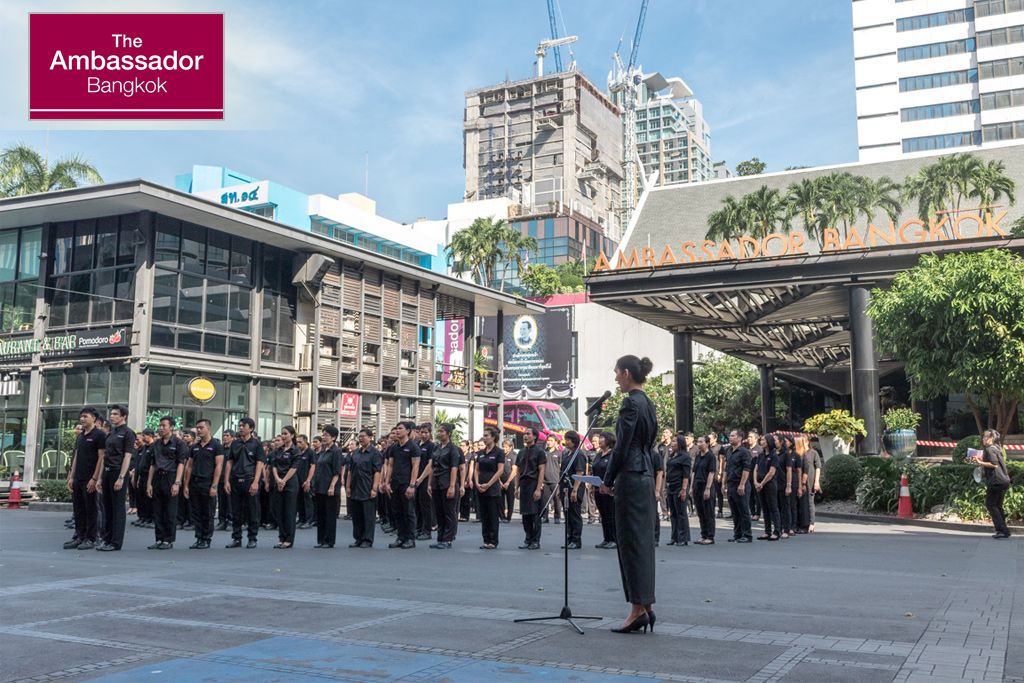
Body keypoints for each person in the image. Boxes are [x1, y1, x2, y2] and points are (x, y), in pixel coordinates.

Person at [599, 355, 658, 634]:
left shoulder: (630, 403)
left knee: (630, 543)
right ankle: (645, 605)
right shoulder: (649, 403)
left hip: (630, 477)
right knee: (642, 542)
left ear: (625, 373)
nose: (615, 379)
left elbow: (621, 446)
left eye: (615, 373)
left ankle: (636, 609)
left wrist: (607, 479)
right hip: (644, 473)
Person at [64, 407, 106, 550]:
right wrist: (71, 476)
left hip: (90, 478)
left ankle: (91, 538)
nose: (82, 419)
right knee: (79, 509)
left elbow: (102, 457)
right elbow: (76, 456)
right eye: (81, 416)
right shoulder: (80, 436)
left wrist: (95, 479)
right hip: (78, 478)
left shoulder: (99, 435)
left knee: (91, 509)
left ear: (94, 418)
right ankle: (80, 536)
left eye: (85, 416)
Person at [95, 405, 136, 552]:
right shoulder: (111, 433)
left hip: (118, 472)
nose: (111, 416)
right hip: (106, 472)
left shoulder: (128, 433)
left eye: (115, 414)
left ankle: (115, 542)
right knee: (107, 507)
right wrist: (99, 478)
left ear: (123, 416)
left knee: (118, 508)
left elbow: (127, 456)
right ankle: (106, 539)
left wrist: (121, 477)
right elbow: (105, 456)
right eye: (111, 414)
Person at [146, 416, 187, 550]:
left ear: (171, 427)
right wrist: (149, 483)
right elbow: (153, 464)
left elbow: (181, 464)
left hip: (171, 477)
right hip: (158, 477)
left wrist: (177, 482)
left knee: (170, 511)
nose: (161, 428)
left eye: (164, 426)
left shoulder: (179, 443)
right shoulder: (156, 444)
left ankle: (168, 540)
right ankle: (159, 539)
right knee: (157, 510)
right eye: (160, 425)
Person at [224, 418, 265, 549]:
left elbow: (259, 463)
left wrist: (256, 482)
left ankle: (252, 538)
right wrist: (226, 481)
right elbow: (229, 462)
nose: (241, 428)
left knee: (252, 510)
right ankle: (237, 538)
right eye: (240, 425)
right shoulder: (235, 443)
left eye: (243, 426)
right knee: (236, 511)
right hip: (235, 480)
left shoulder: (257, 444)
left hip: (250, 479)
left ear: (251, 428)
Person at [184, 419, 224, 550]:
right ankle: (199, 537)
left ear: (208, 428)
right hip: (195, 482)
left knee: (208, 513)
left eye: (201, 427)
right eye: (197, 428)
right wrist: (186, 485)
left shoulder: (216, 445)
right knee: (196, 512)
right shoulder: (194, 447)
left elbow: (219, 466)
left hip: (208, 483)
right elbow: (189, 466)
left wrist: (214, 485)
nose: (198, 430)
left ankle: (206, 538)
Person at [383, 421, 421, 549]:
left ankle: (410, 538)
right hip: (395, 483)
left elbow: (415, 467)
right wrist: (387, 482)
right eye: (397, 429)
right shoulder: (393, 448)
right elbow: (390, 465)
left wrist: (412, 485)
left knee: (408, 512)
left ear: (408, 431)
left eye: (400, 429)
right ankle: (401, 537)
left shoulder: (413, 447)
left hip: (406, 483)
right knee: (397, 511)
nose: (398, 431)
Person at [270, 426, 305, 549]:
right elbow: (273, 466)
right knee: (279, 511)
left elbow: (294, 468)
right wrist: (278, 480)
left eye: (286, 434)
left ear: (292, 435)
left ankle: (289, 539)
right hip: (278, 482)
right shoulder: (277, 451)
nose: (283, 436)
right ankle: (281, 537)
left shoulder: (295, 451)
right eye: (282, 434)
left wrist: (284, 480)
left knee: (289, 512)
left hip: (290, 483)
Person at [347, 428, 383, 548]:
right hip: (355, 487)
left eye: (363, 436)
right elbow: (350, 471)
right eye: (359, 436)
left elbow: (377, 472)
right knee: (357, 516)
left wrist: (374, 488)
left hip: (367, 487)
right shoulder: (355, 453)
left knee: (368, 516)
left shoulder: (375, 453)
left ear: (370, 438)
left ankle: (367, 539)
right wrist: (348, 486)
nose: (361, 438)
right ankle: (358, 538)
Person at [309, 426, 343, 548]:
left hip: (330, 487)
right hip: (319, 487)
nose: (323, 437)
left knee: (329, 515)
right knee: (321, 515)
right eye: (323, 435)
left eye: (326, 435)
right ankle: (322, 540)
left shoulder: (336, 451)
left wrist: (332, 486)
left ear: (333, 437)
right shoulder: (323, 451)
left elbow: (337, 471)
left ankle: (329, 541)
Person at [429, 424, 462, 549]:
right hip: (436, 483)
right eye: (438, 431)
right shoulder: (436, 448)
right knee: (439, 512)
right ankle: (440, 537)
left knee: (449, 512)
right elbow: (432, 466)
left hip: (447, 482)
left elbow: (454, 468)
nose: (439, 433)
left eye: (442, 431)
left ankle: (448, 539)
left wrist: (452, 486)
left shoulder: (453, 449)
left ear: (448, 433)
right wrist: (429, 484)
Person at [515, 427, 546, 550]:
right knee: (525, 515)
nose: (525, 436)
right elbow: (517, 471)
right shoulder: (521, 452)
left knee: (535, 515)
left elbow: (541, 470)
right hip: (523, 484)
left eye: (528, 434)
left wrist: (538, 489)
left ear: (534, 436)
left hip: (534, 483)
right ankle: (528, 539)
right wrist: (516, 487)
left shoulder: (539, 452)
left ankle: (535, 541)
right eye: (524, 434)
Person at [475, 426, 505, 549]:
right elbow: (476, 470)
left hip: (492, 489)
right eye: (484, 435)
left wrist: (488, 484)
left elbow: (500, 470)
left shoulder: (499, 452)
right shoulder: (481, 453)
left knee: (492, 515)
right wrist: (477, 483)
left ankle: (493, 541)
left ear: (493, 437)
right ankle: (486, 539)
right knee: (484, 515)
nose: (484, 438)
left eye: (487, 435)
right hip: (480, 487)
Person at [723, 429, 752, 543]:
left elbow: (746, 469)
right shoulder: (729, 450)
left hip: (740, 483)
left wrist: (742, 484)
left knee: (743, 510)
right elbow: (726, 468)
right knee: (734, 511)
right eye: (730, 436)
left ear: (739, 438)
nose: (730, 438)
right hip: (731, 483)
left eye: (732, 436)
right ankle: (737, 533)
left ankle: (747, 534)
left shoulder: (744, 452)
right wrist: (723, 483)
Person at [560, 431, 585, 550]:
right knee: (567, 514)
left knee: (574, 514)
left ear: (574, 441)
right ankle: (569, 538)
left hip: (574, 487)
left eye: (568, 439)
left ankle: (576, 540)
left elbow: (579, 472)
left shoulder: (578, 454)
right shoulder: (566, 454)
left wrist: (575, 490)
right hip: (564, 488)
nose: (566, 441)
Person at [753, 434, 780, 541]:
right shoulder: (760, 455)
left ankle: (777, 531)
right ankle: (767, 531)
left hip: (769, 485)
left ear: (769, 441)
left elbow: (772, 472)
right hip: (759, 485)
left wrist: (762, 483)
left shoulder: (774, 456)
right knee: (764, 508)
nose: (761, 441)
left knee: (773, 507)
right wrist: (755, 482)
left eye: (763, 440)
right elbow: (756, 469)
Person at [665, 434, 691, 547]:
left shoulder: (685, 457)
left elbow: (686, 475)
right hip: (670, 486)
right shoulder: (672, 456)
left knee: (681, 513)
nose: (672, 443)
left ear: (680, 443)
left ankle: (683, 537)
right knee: (673, 513)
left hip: (679, 487)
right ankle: (674, 537)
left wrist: (684, 489)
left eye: (675, 441)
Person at [591, 432, 617, 549]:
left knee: (611, 514)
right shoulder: (598, 454)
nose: (599, 440)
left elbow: (616, 472)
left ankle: (614, 539)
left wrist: (612, 486)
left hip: (609, 490)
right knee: (603, 515)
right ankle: (606, 538)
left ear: (609, 440)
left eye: (602, 438)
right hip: (598, 489)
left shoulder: (613, 454)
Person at [691, 436, 717, 544]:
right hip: (697, 485)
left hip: (706, 486)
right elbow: (693, 472)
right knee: (700, 512)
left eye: (701, 442)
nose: (699, 444)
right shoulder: (698, 456)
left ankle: (710, 537)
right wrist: (691, 487)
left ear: (707, 443)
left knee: (708, 512)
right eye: (698, 442)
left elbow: (711, 473)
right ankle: (703, 534)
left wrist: (708, 488)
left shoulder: (711, 456)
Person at [795, 435, 822, 534]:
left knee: (810, 502)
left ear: (806, 442)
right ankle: (800, 522)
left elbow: (818, 467)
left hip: (810, 480)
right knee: (801, 502)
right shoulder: (799, 453)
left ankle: (811, 523)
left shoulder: (813, 453)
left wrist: (817, 481)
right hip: (800, 480)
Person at [414, 423, 435, 540]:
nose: (423, 434)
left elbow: (430, 464)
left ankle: (427, 531)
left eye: (426, 432)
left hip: (425, 479)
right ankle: (418, 528)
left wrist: (421, 478)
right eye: (421, 432)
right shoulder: (416, 444)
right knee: (416, 505)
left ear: (430, 433)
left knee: (425, 506)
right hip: (415, 479)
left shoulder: (431, 446)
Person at [132, 429, 155, 529]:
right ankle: (143, 517)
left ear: (150, 436)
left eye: (144, 436)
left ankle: (151, 518)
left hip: (149, 476)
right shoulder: (144, 448)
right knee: (141, 498)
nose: (143, 438)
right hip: (141, 476)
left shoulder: (154, 447)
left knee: (149, 499)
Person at [295, 434, 316, 530]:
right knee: (300, 501)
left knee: (308, 502)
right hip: (298, 481)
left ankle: (309, 520)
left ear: (306, 442)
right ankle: (301, 519)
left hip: (306, 481)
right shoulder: (298, 452)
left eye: (300, 442)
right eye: (297, 442)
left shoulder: (310, 452)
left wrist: (308, 480)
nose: (298, 444)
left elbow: (313, 467)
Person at [216, 430, 235, 531]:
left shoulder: (235, 449)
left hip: (231, 479)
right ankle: (222, 521)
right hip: (220, 478)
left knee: (230, 501)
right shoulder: (220, 449)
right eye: (224, 436)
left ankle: (231, 521)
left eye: (227, 436)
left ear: (232, 437)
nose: (225, 437)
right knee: (222, 501)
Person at [542, 435, 563, 524]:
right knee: (545, 500)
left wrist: (560, 480)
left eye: (551, 440)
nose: (549, 442)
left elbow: (561, 466)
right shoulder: (543, 453)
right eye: (548, 440)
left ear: (555, 442)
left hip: (555, 480)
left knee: (557, 500)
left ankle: (557, 517)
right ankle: (545, 517)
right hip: (545, 481)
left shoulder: (559, 453)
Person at [656, 428, 673, 521]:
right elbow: (655, 453)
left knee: (670, 491)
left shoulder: (673, 445)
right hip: (662, 472)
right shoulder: (660, 446)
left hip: (671, 471)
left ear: (670, 434)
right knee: (662, 492)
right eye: (664, 432)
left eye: (667, 432)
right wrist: (660, 442)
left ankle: (671, 511)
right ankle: (664, 511)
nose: (665, 434)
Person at [500, 438, 518, 523]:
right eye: (503, 446)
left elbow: (514, 470)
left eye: (506, 447)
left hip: (510, 481)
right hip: (500, 480)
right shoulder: (501, 455)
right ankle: (502, 516)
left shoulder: (513, 455)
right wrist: (499, 481)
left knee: (510, 499)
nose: (504, 448)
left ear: (510, 447)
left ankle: (509, 517)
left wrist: (507, 482)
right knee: (500, 499)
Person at [746, 431, 762, 521]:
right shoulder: (747, 450)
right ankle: (752, 513)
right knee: (750, 495)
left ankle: (757, 513)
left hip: (757, 476)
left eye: (751, 437)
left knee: (757, 496)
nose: (749, 439)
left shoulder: (759, 449)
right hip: (748, 476)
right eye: (748, 437)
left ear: (756, 438)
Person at [458, 440, 473, 521]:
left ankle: (465, 516)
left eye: (463, 445)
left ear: (467, 446)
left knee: (466, 499)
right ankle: (461, 515)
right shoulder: (459, 455)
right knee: (460, 497)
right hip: (460, 479)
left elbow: (471, 469)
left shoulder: (470, 456)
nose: (462, 447)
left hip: (466, 479)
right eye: (460, 445)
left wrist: (469, 480)